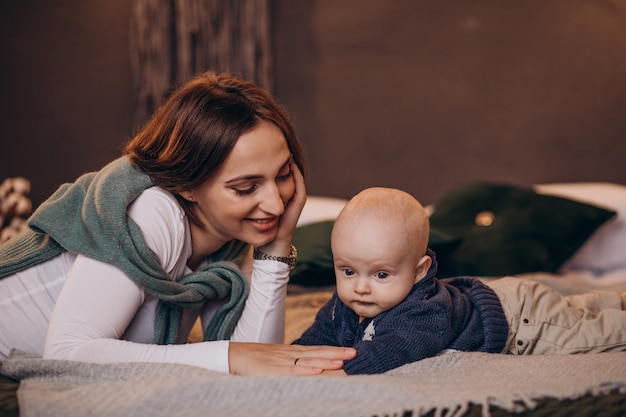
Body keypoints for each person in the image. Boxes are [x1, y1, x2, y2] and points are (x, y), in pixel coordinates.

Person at [0, 71, 355, 376]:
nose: (275, 204)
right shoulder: (151, 212)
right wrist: (230, 355)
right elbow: (68, 353)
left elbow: (260, 356)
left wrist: (276, 248)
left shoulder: (229, 240)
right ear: (187, 184)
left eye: (282, 176)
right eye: (246, 188)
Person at [293, 187, 626, 375]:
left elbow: (392, 350)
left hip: (522, 323)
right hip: (501, 297)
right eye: (347, 272)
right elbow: (318, 335)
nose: (360, 287)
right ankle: (613, 300)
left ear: (420, 270)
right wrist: (291, 356)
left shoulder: (423, 311)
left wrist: (338, 370)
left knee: (591, 333)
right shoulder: (344, 305)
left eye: (381, 274)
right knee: (572, 309)